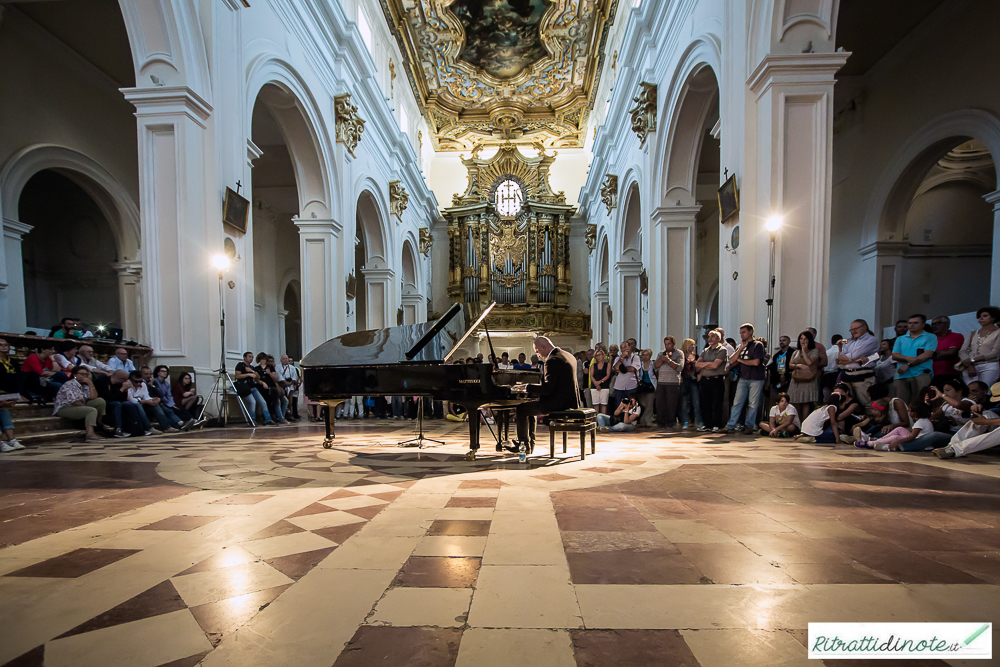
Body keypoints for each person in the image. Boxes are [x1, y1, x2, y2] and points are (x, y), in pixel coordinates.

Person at [514, 336, 580, 450]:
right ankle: (529, 442)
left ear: (543, 347)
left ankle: (524, 444)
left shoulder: (552, 361)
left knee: (521, 409)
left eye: (538, 352)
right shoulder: (568, 355)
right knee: (530, 407)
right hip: (571, 401)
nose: (538, 355)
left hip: (559, 404)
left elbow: (547, 389)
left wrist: (526, 387)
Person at [934, 382, 1000, 459]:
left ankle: (956, 450)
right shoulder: (989, 401)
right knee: (986, 414)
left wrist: (985, 421)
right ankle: (951, 446)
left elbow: (959, 405)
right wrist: (976, 408)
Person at [723, 324, 766, 435]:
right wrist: (741, 348)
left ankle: (749, 425)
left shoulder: (757, 345)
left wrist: (741, 360)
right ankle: (731, 425)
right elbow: (732, 360)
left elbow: (756, 362)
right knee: (737, 403)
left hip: (755, 378)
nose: (742, 335)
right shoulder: (741, 346)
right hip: (743, 378)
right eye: (740, 333)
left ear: (751, 332)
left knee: (752, 404)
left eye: (744, 332)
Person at [53, 366, 109, 442]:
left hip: (79, 405)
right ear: (74, 375)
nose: (84, 376)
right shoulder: (70, 384)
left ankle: (98, 424)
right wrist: (86, 409)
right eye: (81, 374)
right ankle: (90, 434)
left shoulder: (85, 385)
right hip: (65, 408)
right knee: (91, 410)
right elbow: (75, 402)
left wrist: (90, 383)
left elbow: (93, 397)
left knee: (100, 401)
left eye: (86, 374)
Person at [95, 369, 157, 437]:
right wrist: (122, 389)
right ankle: (118, 429)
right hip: (105, 403)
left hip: (119, 402)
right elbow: (108, 397)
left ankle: (138, 428)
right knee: (117, 404)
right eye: (125, 380)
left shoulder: (119, 384)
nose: (127, 381)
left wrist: (125, 390)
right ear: (120, 379)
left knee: (130, 405)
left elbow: (123, 398)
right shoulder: (103, 381)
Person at [891, 314, 938, 404]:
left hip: (921, 373)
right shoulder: (900, 339)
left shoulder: (930, 337)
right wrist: (908, 359)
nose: (912, 325)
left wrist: (907, 364)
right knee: (901, 403)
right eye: (910, 323)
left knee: (920, 402)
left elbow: (927, 354)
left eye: (915, 323)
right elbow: (895, 355)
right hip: (901, 375)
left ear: (923, 324)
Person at [855, 402, 934, 452]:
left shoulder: (920, 422)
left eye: (909, 410)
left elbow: (912, 437)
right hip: (918, 439)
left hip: (917, 442)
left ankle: (869, 443)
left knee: (896, 437)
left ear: (915, 413)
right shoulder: (924, 420)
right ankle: (877, 440)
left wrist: (898, 441)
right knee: (899, 429)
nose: (908, 412)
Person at [837, 319, 880, 405]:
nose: (853, 331)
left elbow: (855, 355)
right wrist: (855, 360)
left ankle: (868, 418)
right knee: (848, 403)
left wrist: (849, 359)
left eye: (856, 328)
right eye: (851, 329)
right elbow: (839, 360)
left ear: (864, 327)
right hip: (847, 375)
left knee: (866, 403)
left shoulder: (871, 340)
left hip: (862, 376)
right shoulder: (850, 342)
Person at [957, 306, 1000, 387]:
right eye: (979, 317)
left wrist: (972, 360)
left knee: (986, 391)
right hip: (969, 367)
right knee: (971, 392)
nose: (981, 319)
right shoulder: (972, 333)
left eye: (985, 316)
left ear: (993, 318)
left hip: (988, 366)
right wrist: (969, 364)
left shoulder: (998, 332)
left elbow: (995, 353)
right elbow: (962, 351)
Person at [695, 330, 728, 431]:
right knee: (705, 403)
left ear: (718, 338)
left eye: (712, 336)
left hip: (716, 380)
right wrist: (708, 364)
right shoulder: (705, 350)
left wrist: (704, 365)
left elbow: (715, 365)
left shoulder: (722, 350)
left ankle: (716, 424)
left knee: (717, 403)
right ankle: (707, 425)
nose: (710, 339)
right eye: (709, 337)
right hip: (705, 380)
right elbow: (696, 364)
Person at [234, 351, 274, 426]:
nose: (251, 358)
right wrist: (248, 374)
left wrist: (252, 372)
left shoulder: (252, 367)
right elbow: (237, 376)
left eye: (252, 357)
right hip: (245, 387)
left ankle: (268, 419)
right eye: (249, 357)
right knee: (253, 402)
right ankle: (252, 420)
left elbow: (257, 377)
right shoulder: (240, 365)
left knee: (263, 402)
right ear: (244, 357)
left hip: (253, 386)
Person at [788, 330, 820, 419]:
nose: (803, 341)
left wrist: (804, 351)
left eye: (805, 339)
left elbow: (809, 362)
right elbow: (790, 365)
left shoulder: (814, 351)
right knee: (792, 401)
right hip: (797, 379)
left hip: (808, 379)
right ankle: (794, 422)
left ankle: (804, 424)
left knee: (805, 402)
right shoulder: (795, 352)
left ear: (809, 340)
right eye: (801, 338)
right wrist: (799, 365)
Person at [653, 336, 682, 429]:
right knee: (660, 404)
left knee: (671, 404)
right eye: (665, 344)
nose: (667, 346)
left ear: (674, 343)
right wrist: (662, 359)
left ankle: (670, 423)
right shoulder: (661, 353)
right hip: (661, 382)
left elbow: (679, 367)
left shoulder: (679, 353)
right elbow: (655, 366)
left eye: (669, 344)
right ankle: (661, 423)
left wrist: (669, 360)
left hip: (673, 382)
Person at [930, 315, 964, 387]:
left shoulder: (956, 336)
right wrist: (941, 353)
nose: (934, 326)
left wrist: (932, 355)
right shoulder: (930, 339)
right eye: (932, 324)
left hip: (950, 373)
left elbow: (951, 352)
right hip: (932, 373)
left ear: (946, 324)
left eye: (937, 323)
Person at [679, 338, 704, 431]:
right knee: (684, 402)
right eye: (691, 345)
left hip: (693, 380)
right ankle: (685, 421)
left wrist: (700, 374)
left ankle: (699, 422)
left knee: (696, 402)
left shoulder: (696, 356)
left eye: (694, 345)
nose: (693, 347)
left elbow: (700, 366)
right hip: (684, 380)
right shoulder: (682, 356)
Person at [611, 340, 640, 417]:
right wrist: (622, 358)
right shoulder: (618, 358)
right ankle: (619, 421)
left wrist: (622, 369)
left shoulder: (635, 357)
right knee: (619, 406)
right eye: (622, 348)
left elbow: (632, 369)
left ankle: (629, 421)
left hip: (631, 386)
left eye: (625, 347)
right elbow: (615, 368)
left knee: (631, 406)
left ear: (630, 347)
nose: (624, 349)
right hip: (619, 387)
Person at [768, 335, 793, 406]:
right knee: (776, 401)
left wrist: (785, 376)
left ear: (789, 342)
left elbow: (792, 367)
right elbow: (773, 367)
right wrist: (779, 377)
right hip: (777, 380)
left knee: (788, 401)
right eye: (780, 340)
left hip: (788, 380)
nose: (781, 342)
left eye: (784, 340)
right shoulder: (776, 355)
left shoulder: (792, 353)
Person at [635, 349, 657, 427]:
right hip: (642, 386)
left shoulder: (653, 364)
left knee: (650, 404)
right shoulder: (640, 364)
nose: (645, 356)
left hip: (651, 385)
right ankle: (642, 420)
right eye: (643, 355)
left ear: (650, 355)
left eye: (647, 355)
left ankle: (649, 420)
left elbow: (656, 373)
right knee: (642, 404)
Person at [276, 355, 301, 421]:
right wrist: (284, 382)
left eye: (286, 359)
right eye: (284, 359)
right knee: (283, 401)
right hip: (282, 385)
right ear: (281, 359)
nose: (285, 360)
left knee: (290, 402)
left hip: (290, 385)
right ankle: (283, 415)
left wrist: (291, 382)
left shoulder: (292, 367)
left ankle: (290, 415)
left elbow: (294, 376)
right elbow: (278, 375)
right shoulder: (278, 367)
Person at [588, 348, 611, 414]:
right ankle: (596, 421)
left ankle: (602, 421)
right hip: (594, 386)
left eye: (599, 355)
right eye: (596, 355)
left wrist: (600, 382)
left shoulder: (607, 364)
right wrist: (596, 383)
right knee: (595, 405)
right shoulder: (593, 365)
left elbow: (608, 375)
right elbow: (591, 376)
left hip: (604, 386)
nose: (598, 357)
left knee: (604, 404)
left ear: (603, 355)